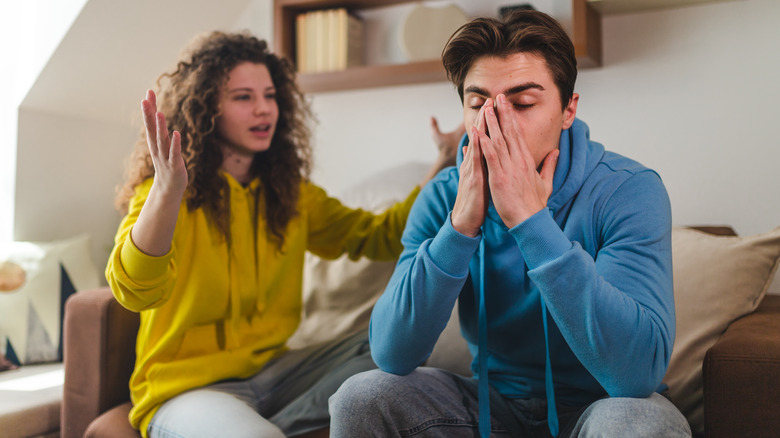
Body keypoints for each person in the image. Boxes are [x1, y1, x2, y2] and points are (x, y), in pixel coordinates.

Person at [329, 10, 692, 438]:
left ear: (568, 109)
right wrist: (460, 226)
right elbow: (391, 353)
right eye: (479, 103)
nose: (497, 123)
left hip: (601, 407)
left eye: (521, 103)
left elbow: (635, 376)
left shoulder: (627, 191)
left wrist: (532, 223)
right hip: (489, 407)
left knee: (637, 421)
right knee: (361, 396)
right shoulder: (444, 196)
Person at [106, 31, 458, 438]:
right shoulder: (165, 193)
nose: (263, 109)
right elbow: (134, 291)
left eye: (269, 95)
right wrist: (167, 193)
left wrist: (443, 161)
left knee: (396, 344)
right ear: (206, 108)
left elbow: (380, 236)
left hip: (276, 374)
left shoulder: (291, 195)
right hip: (187, 389)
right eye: (243, 97)